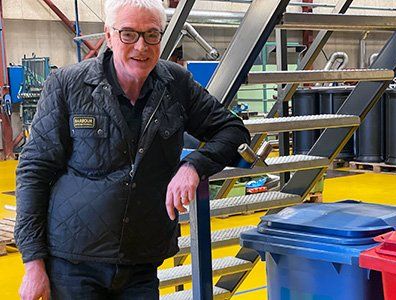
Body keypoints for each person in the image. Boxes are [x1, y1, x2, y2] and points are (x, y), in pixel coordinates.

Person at [14, 0, 250, 298]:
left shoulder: (175, 84)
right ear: (109, 35)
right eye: (128, 34)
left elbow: (233, 129)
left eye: (152, 35)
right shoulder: (67, 85)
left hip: (141, 262)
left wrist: (194, 166)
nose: (142, 46)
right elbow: (34, 172)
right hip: (73, 263)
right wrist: (33, 264)